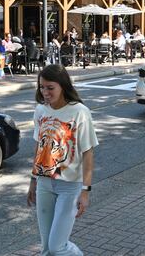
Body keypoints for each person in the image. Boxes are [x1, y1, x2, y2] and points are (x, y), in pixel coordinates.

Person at [26, 64, 98, 256]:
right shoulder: (41, 110)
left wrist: (86, 191)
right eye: (42, 87)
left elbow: (88, 153)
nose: (45, 92)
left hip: (70, 187)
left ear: (63, 86)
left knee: (58, 246)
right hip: (44, 183)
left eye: (50, 87)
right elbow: (39, 148)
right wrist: (33, 180)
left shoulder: (80, 112)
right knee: (46, 248)